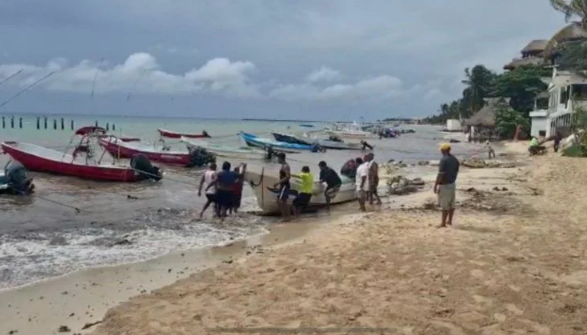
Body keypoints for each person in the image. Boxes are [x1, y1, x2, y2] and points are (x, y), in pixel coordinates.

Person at [433, 143, 460, 228]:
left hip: (445, 185)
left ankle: (443, 223)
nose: (440, 151)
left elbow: (440, 174)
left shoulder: (444, 160)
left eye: (441, 149)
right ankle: (449, 221)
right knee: (451, 204)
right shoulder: (455, 160)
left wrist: (436, 185)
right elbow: (456, 171)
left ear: (444, 150)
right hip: (452, 183)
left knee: (444, 205)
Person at [273, 153, 291, 221]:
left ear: (281, 158)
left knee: (280, 201)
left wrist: (278, 182)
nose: (277, 160)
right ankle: (286, 217)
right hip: (283, 185)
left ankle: (285, 217)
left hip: (285, 185)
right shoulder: (283, 165)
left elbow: (288, 176)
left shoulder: (285, 166)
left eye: (278, 158)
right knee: (283, 201)